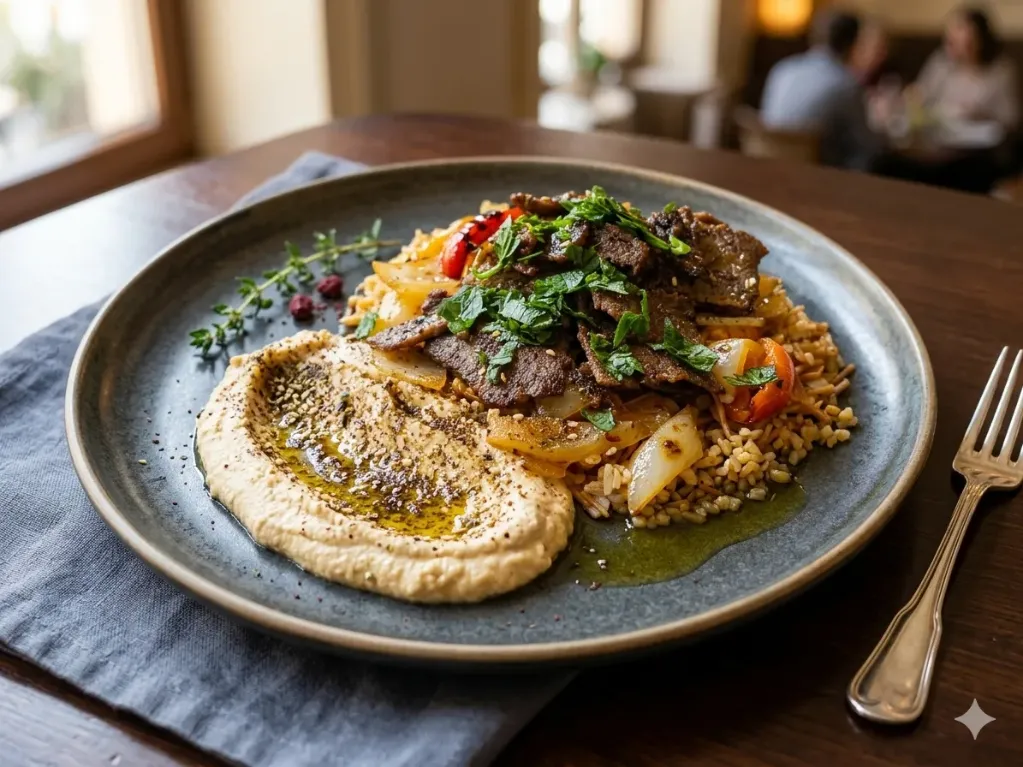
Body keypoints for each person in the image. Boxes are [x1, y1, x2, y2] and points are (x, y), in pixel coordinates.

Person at [760, 11, 887, 170]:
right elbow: (869, 145)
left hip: (770, 173)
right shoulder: (846, 84)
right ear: (853, 44)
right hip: (821, 180)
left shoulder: (781, 69)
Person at [912, 6, 1018, 131]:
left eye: (960, 28)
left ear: (979, 38)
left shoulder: (1001, 71)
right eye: (950, 29)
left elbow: (1011, 119)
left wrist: (980, 115)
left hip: (982, 144)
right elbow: (919, 96)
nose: (950, 35)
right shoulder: (940, 63)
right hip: (941, 138)